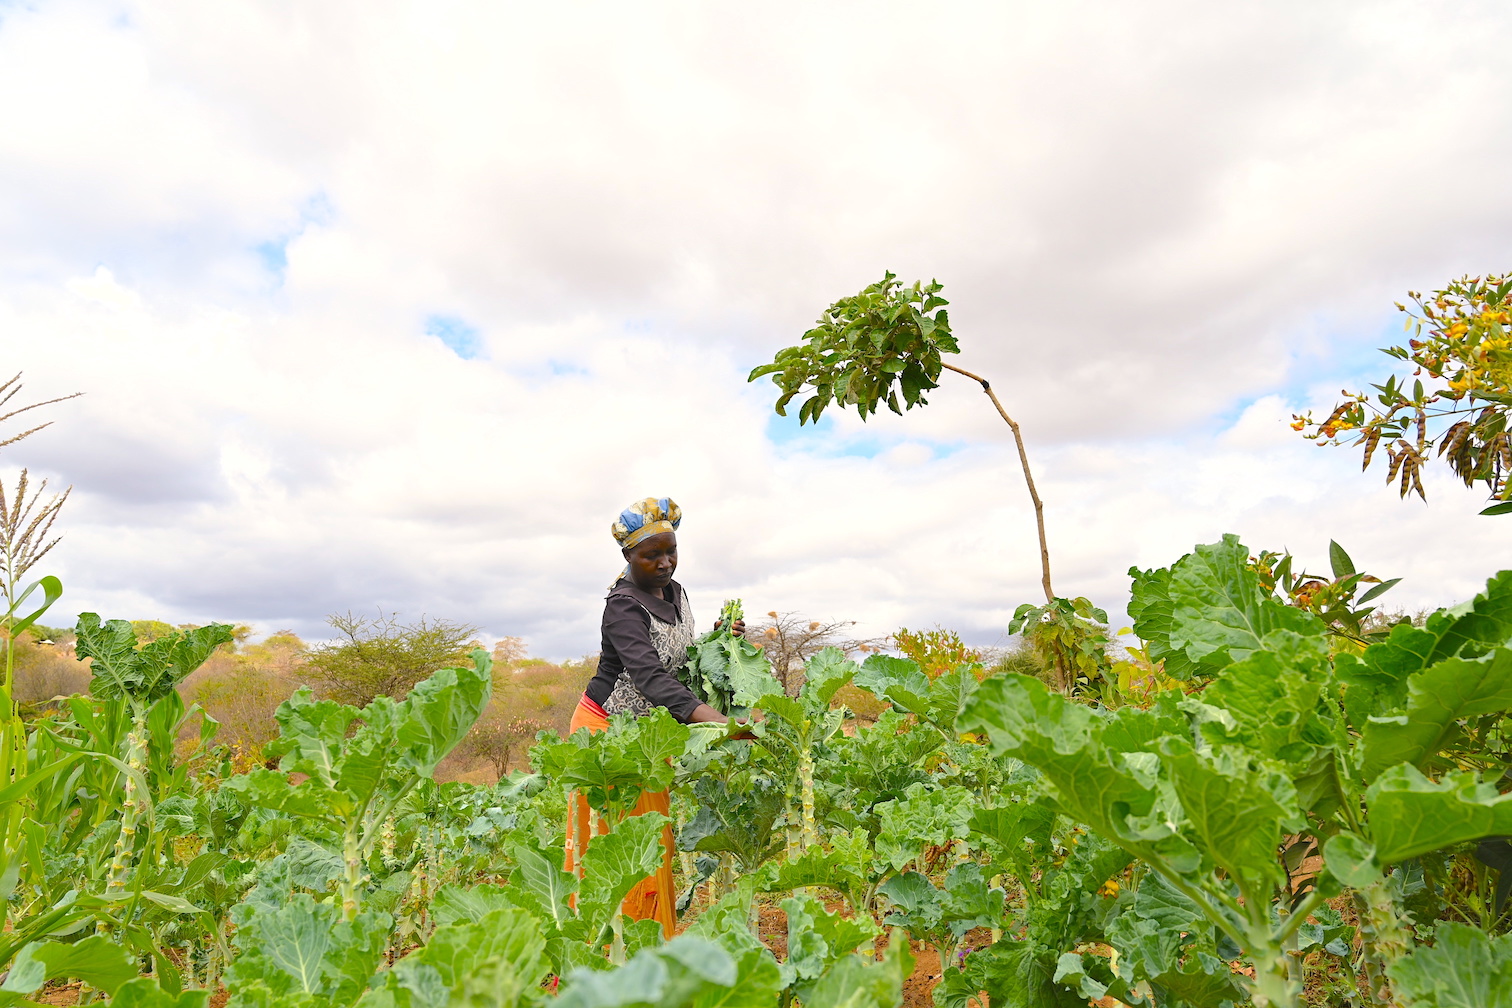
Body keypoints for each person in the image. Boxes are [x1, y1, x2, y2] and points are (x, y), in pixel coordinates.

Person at [565, 497, 742, 937]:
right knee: (619, 852)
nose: (665, 564)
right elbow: (650, 677)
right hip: (608, 734)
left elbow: (677, 652)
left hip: (649, 736)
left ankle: (649, 948)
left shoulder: (675, 592)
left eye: (671, 552)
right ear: (628, 555)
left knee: (652, 844)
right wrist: (720, 723)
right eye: (651, 555)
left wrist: (719, 636)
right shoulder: (622, 606)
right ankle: (607, 953)